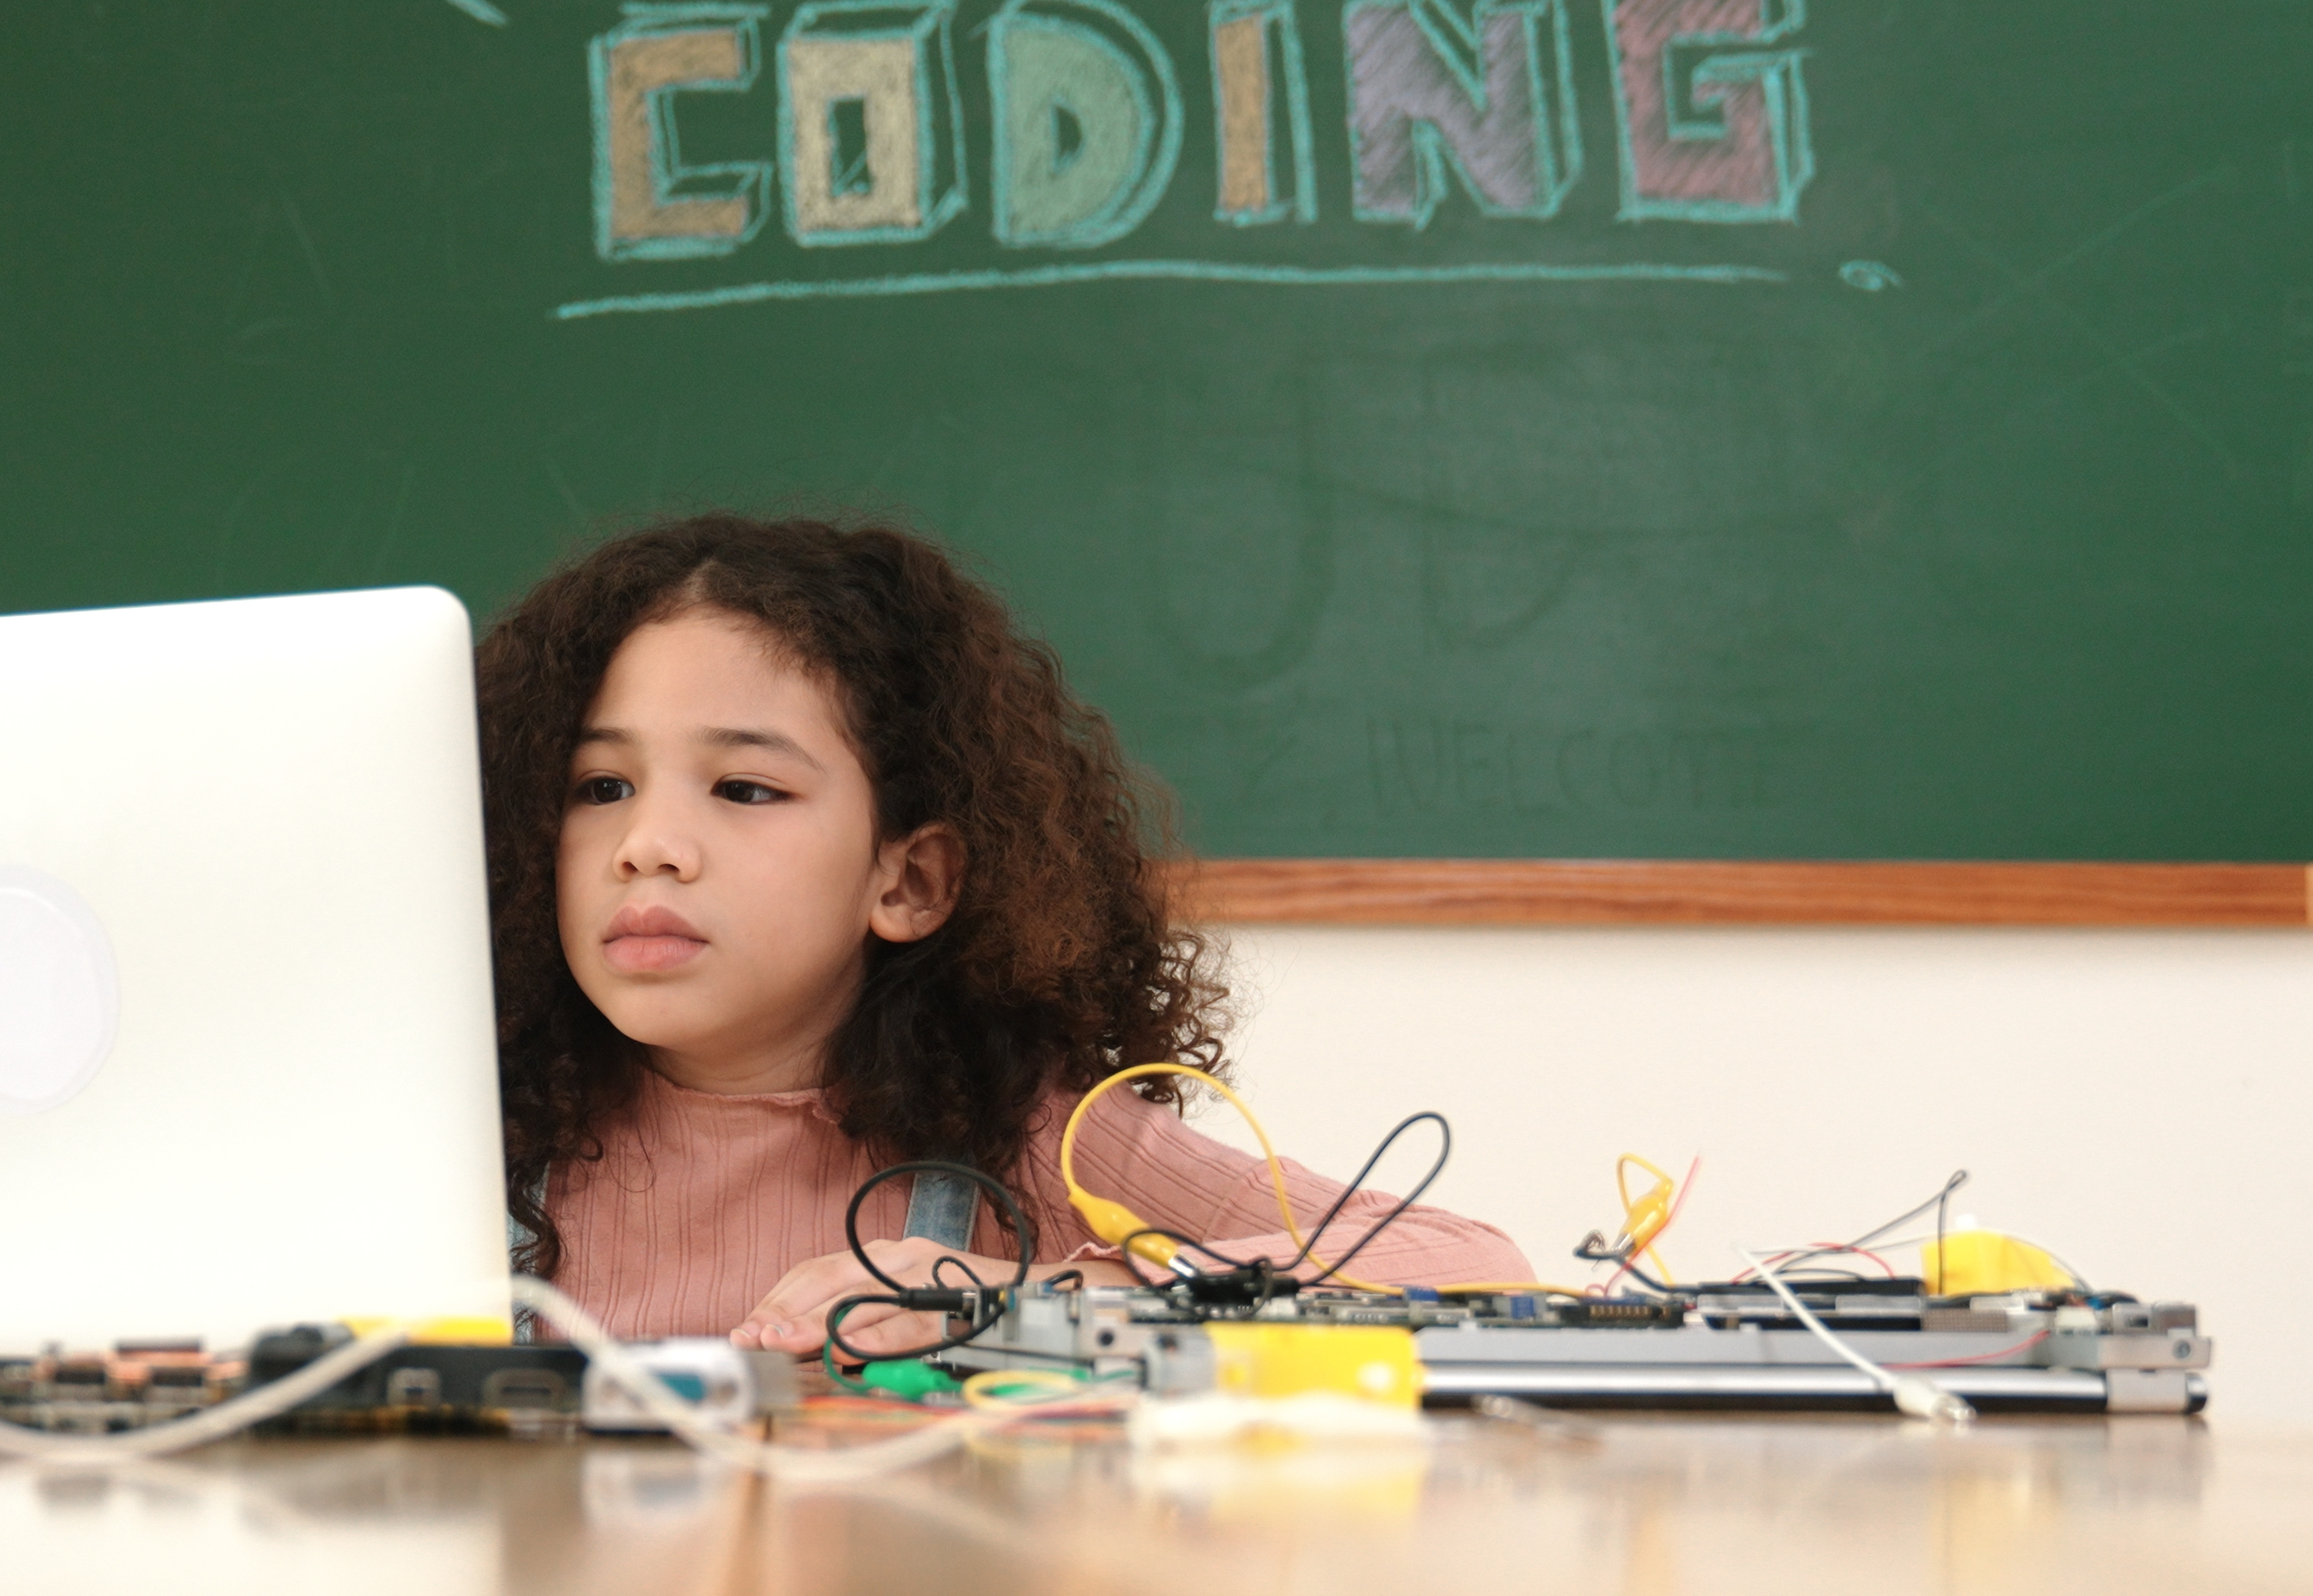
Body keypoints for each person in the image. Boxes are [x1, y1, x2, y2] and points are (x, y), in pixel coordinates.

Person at [474, 515, 1531, 1355]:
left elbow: (1473, 1263)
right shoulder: (471, 1151)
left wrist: (1031, 1295)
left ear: (911, 880)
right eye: (599, 786)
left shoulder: (1027, 1148)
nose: (647, 845)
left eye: (745, 787)